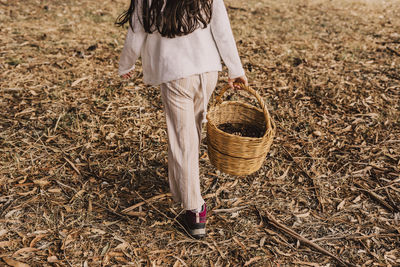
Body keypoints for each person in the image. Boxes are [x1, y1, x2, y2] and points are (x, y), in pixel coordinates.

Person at [116, 0, 247, 238]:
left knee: (181, 140)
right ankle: (180, 189)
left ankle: (195, 209)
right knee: (189, 133)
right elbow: (222, 29)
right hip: (208, 71)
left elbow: (136, 32)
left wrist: (126, 63)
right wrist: (235, 69)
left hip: (176, 74)